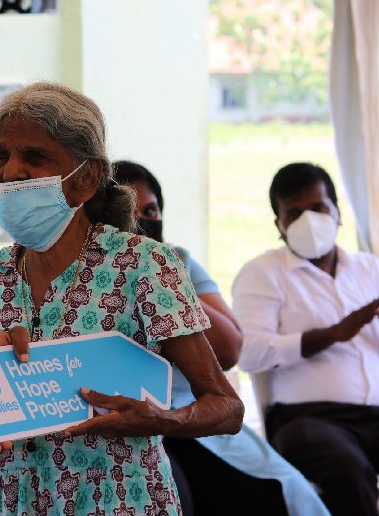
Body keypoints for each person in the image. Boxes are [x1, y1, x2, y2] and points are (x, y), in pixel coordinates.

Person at [0, 82, 244, 515]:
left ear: (84, 178)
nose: (11, 172)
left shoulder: (141, 265)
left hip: (117, 501)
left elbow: (226, 407)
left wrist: (160, 420)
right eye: (0, 157)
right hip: (9, 502)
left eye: (34, 157)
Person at [116, 160, 329, 516]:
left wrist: (162, 276)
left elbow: (230, 349)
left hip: (194, 418)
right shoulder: (92, 278)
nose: (142, 222)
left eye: (151, 210)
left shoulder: (178, 261)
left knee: (280, 492)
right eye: (131, 213)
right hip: (130, 428)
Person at [234, 162, 379, 516]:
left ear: (337, 212)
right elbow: (248, 352)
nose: (308, 222)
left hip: (374, 414)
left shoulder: (370, 269)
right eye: (294, 214)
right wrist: (332, 334)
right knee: (345, 466)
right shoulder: (263, 274)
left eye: (318, 209)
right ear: (279, 226)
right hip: (309, 420)